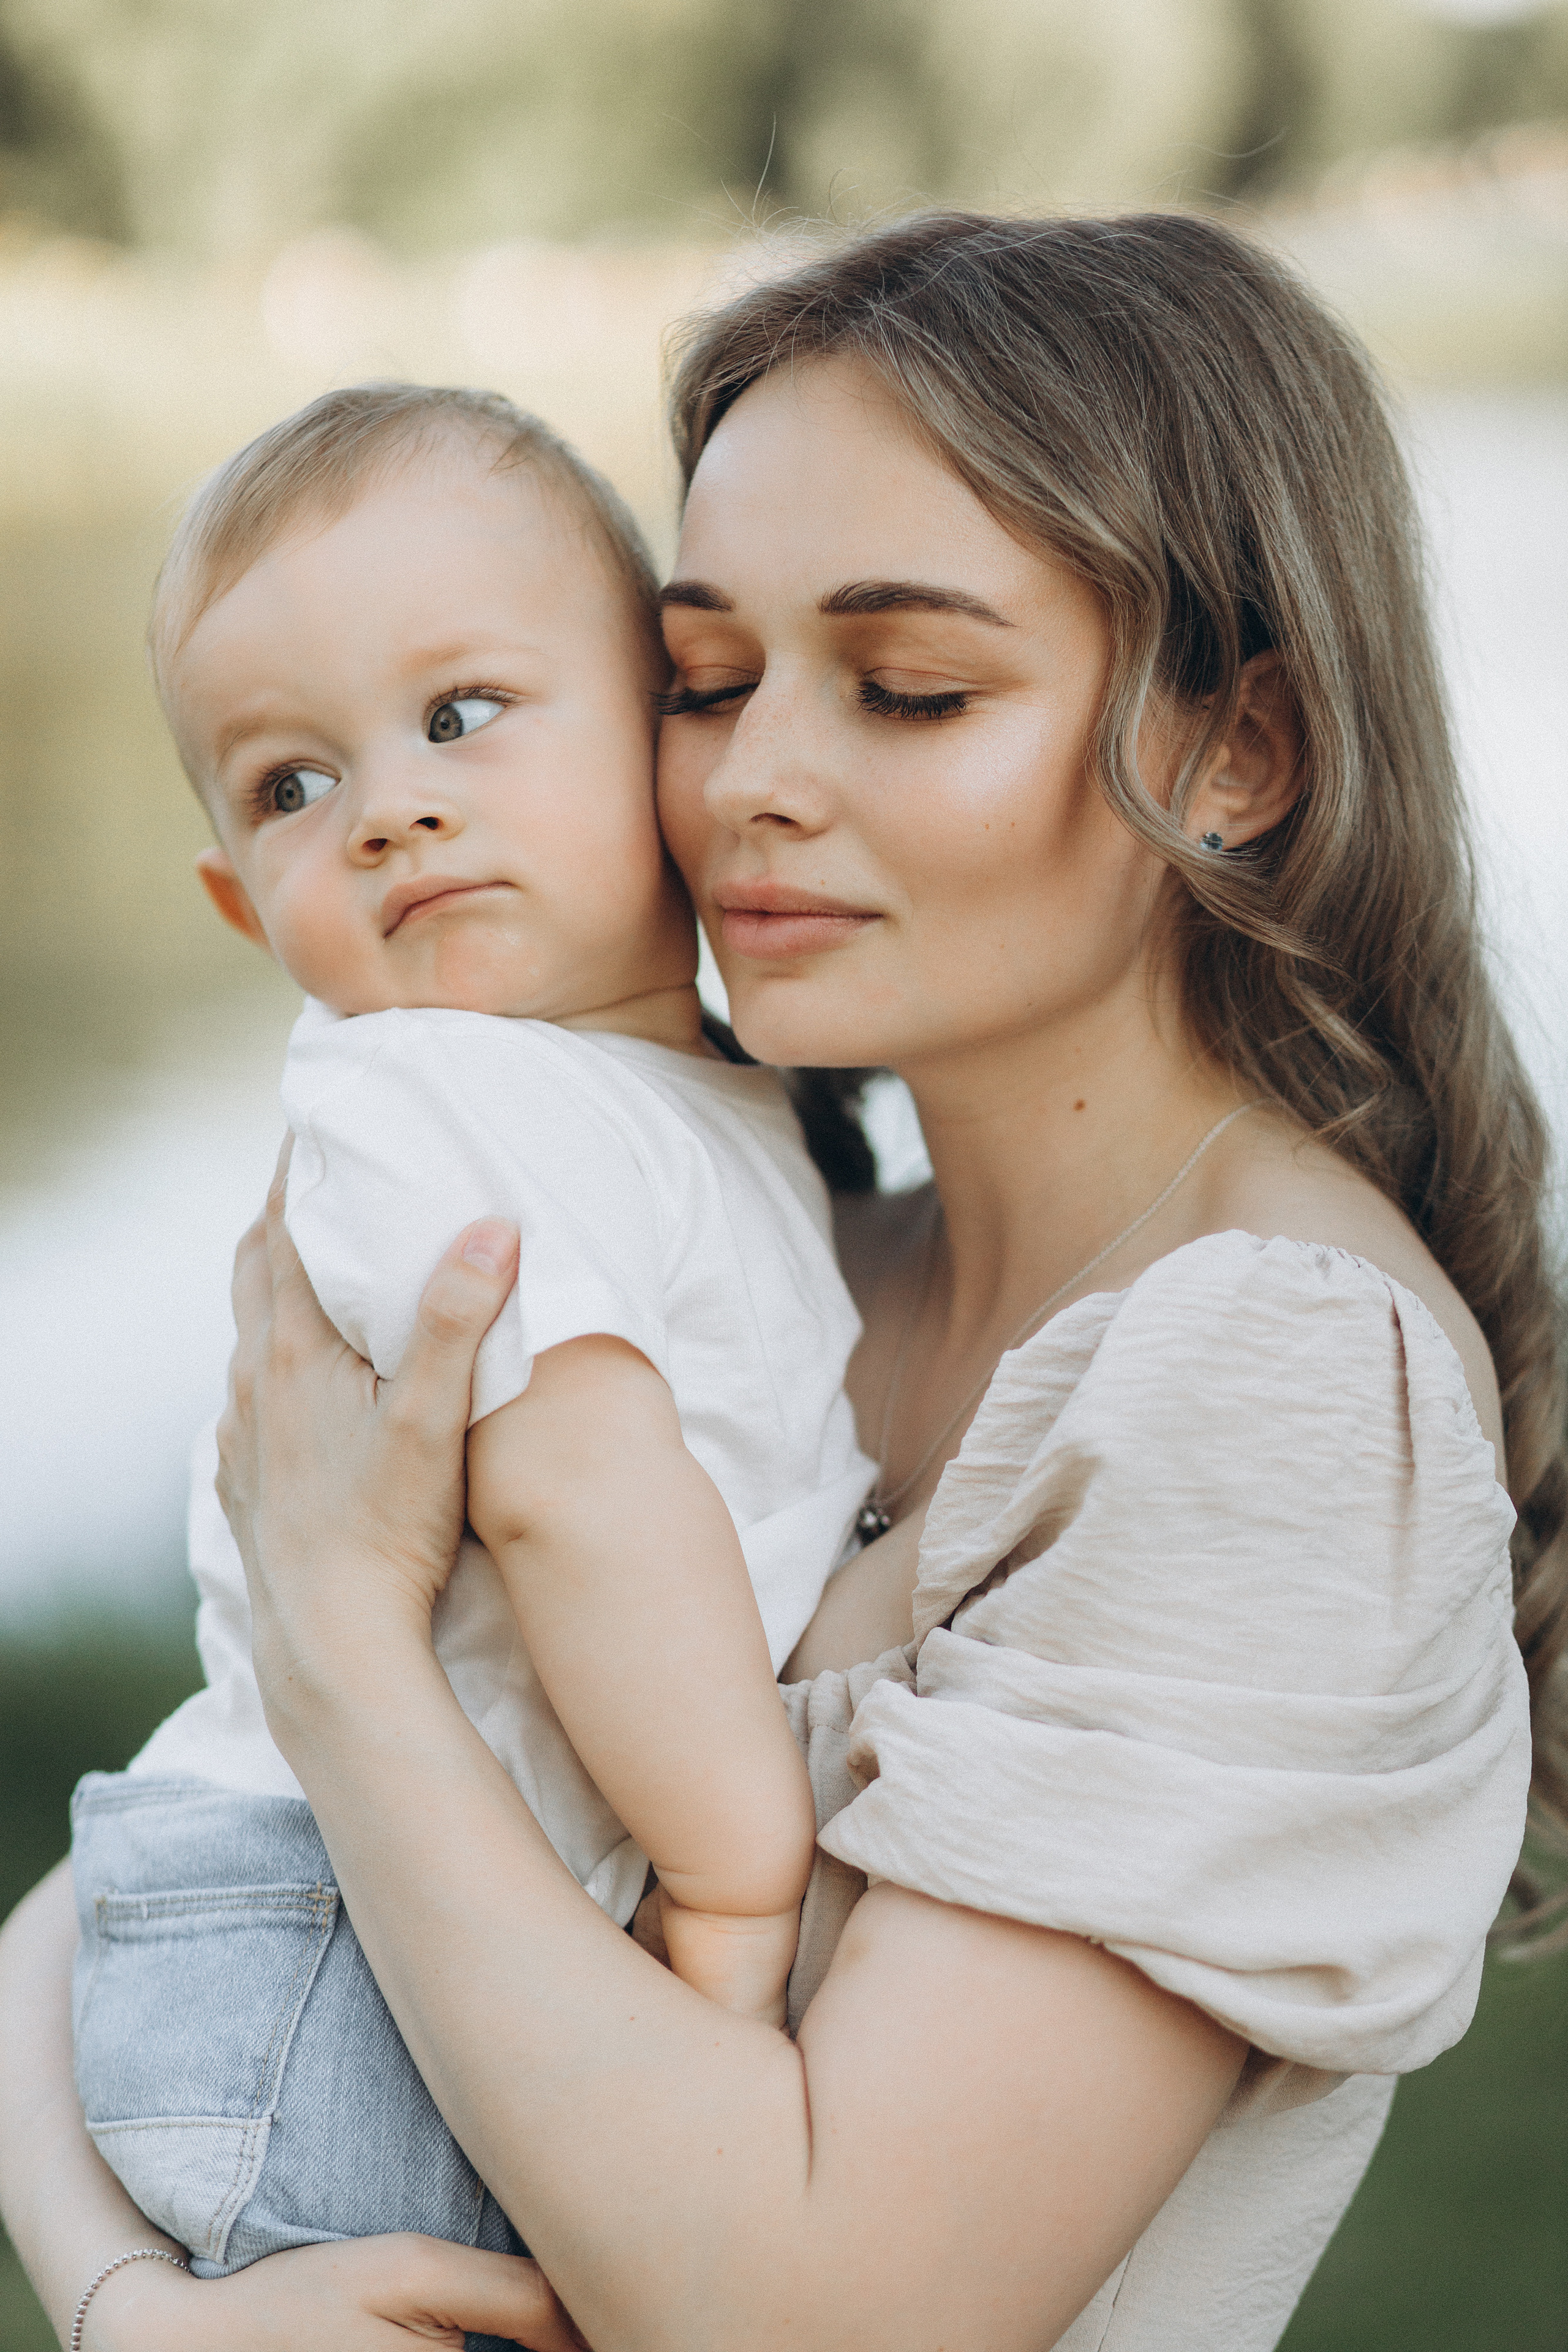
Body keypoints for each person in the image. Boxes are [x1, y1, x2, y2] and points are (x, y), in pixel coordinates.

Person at [1, 210, 1559, 2352]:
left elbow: (819, 2314)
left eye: (908, 686)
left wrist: (348, 1642)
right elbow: (140, 1859)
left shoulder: (1270, 1382)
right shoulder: (785, 1251)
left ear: (1238, 752)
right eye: (708, 680)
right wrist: (126, 2310)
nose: (754, 782)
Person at [65, 381, 878, 2288]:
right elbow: (581, 1502)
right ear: (234, 899)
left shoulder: (664, 1101)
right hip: (320, 1950)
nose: (394, 810)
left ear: (668, 736)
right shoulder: (444, 1098)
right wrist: (737, 1882)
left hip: (337, 1915)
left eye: (461, 718)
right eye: (292, 786)